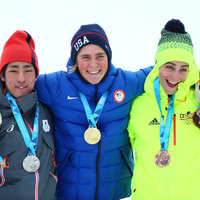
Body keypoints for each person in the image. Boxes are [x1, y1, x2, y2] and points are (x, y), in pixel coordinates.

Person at [35, 24, 153, 200]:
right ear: (75, 59)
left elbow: (160, 73)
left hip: (115, 189)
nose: (93, 64)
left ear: (109, 57)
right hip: (69, 190)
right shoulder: (56, 85)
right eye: (85, 57)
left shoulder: (125, 82)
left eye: (100, 56)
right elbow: (20, 82)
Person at [127, 19, 200, 200]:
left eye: (183, 69)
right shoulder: (138, 104)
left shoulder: (197, 102)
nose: (176, 76)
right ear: (158, 64)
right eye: (169, 67)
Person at [0, 30, 57, 200]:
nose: (21, 78)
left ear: (36, 74)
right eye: (13, 71)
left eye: (28, 70)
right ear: (2, 75)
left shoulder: (48, 110)